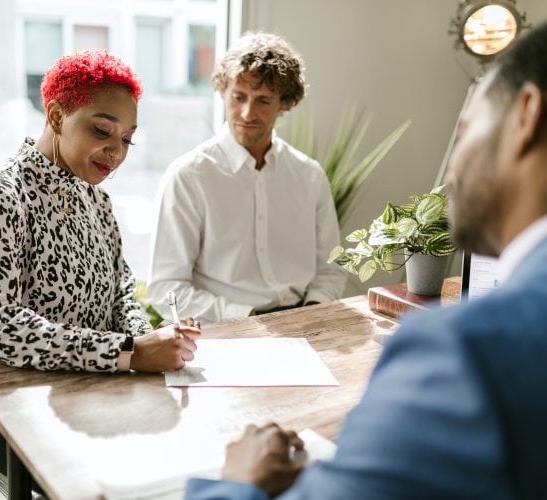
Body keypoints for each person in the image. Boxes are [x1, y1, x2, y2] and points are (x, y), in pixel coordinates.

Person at [185, 21, 547, 500]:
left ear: (526, 115)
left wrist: (236, 484)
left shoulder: (460, 351)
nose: (451, 169)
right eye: (239, 95)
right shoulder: (190, 175)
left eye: (464, 132)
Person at [0, 49, 201, 475]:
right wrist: (128, 352)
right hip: (5, 392)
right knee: (117, 473)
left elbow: (121, 288)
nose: (116, 151)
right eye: (102, 130)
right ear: (55, 117)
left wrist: (149, 341)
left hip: (92, 381)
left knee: (188, 446)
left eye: (127, 138)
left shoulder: (97, 200)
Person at [147, 32, 346, 325]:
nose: (247, 112)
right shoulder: (189, 176)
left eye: (263, 100)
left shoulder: (309, 176)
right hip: (225, 329)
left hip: (306, 322)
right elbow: (166, 288)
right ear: (223, 93)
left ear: (285, 104)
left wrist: (312, 313)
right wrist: (249, 318)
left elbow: (331, 269)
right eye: (238, 97)